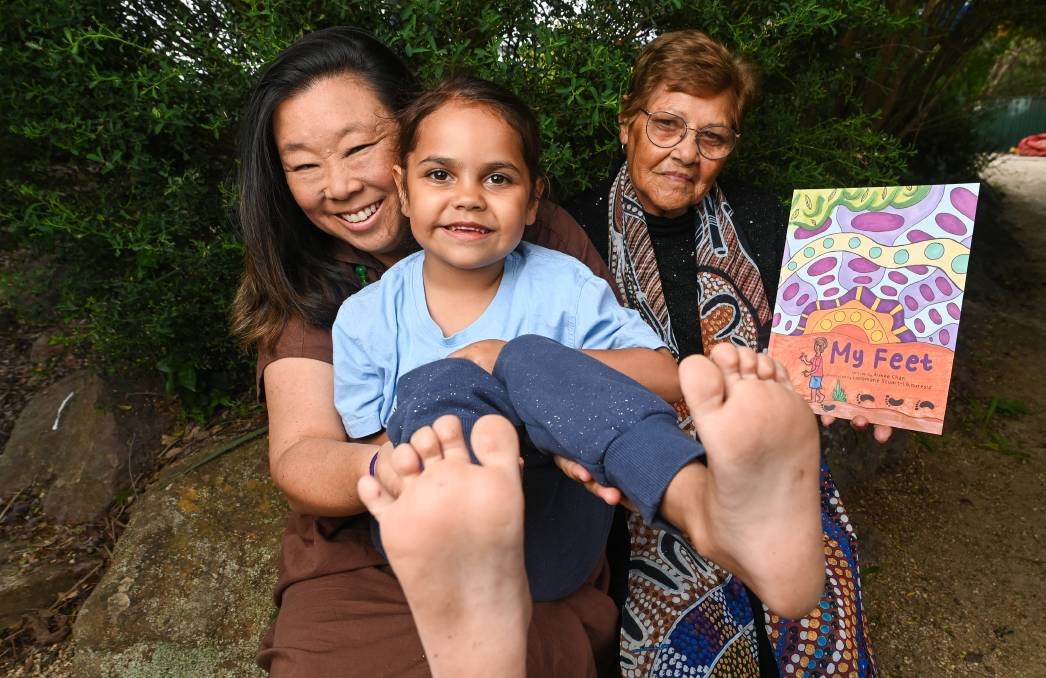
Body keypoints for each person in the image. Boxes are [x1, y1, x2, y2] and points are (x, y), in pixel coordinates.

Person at [332, 75, 822, 612]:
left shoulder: (564, 285)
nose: (468, 198)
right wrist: (494, 437)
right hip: (429, 543)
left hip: (556, 536)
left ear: (534, 198)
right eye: (440, 174)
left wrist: (525, 369)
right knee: (445, 381)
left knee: (523, 355)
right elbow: (373, 454)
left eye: (497, 178)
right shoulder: (365, 318)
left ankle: (708, 512)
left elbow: (664, 372)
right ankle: (475, 599)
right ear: (403, 190)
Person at [232, 28, 624, 677]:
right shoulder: (313, 283)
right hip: (368, 554)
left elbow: (628, 373)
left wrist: (527, 388)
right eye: (304, 166)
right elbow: (301, 456)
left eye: (358, 148)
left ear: (415, 129)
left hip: (533, 534)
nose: (340, 185)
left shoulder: (525, 230)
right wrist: (416, 465)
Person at [564, 29, 886, 677]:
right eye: (667, 125)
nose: (687, 153)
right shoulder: (571, 231)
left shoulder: (767, 220)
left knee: (805, 615)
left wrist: (856, 385)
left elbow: (815, 357)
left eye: (713, 136)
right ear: (627, 120)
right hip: (640, 494)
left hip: (772, 478)